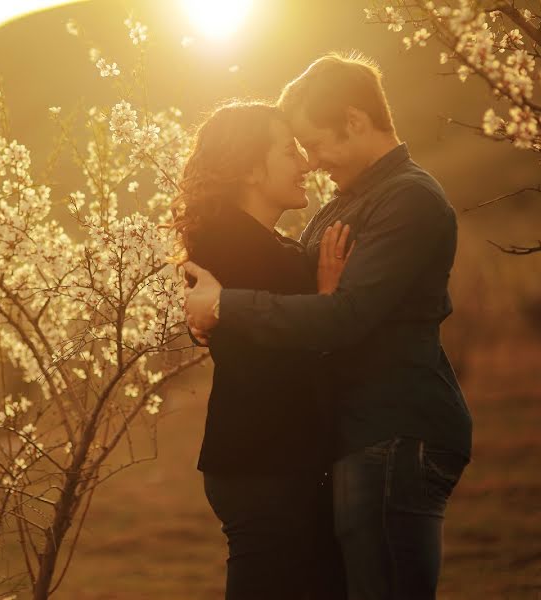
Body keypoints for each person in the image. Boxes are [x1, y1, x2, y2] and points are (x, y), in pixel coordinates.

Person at [182, 53, 473, 600]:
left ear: (356, 123)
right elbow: (278, 314)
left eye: (312, 144)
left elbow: (345, 314)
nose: (310, 162)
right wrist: (215, 311)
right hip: (335, 441)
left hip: (395, 428)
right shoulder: (349, 202)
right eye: (296, 150)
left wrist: (226, 306)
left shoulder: (408, 198)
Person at [173, 100, 348, 600]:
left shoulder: (254, 243)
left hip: (265, 458)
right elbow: (294, 349)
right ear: (251, 168)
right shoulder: (240, 247)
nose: (304, 163)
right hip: (264, 463)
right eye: (289, 151)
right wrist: (329, 299)